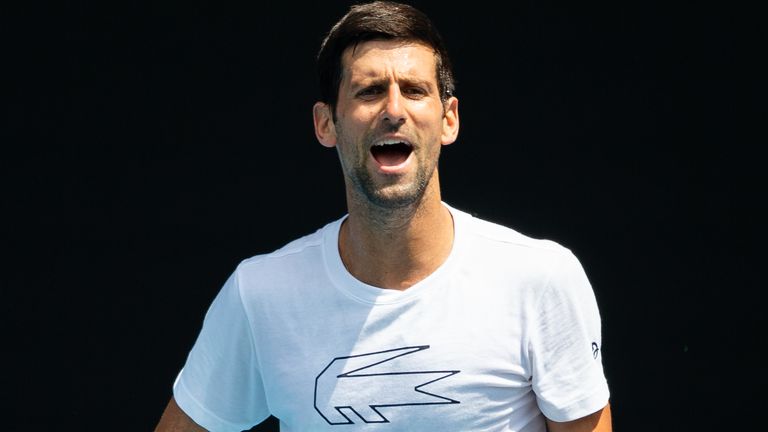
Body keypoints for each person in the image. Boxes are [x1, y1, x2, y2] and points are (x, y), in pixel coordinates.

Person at [154, 1, 612, 431]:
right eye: (369, 91)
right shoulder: (260, 295)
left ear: (448, 119)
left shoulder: (540, 279)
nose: (394, 110)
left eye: (414, 90)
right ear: (326, 123)